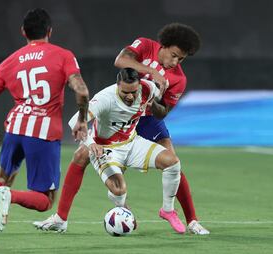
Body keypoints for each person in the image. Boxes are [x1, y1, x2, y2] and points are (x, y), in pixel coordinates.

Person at [34, 23, 209, 235]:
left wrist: (152, 101)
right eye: (173, 55)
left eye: (181, 59)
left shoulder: (178, 79)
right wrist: (152, 71)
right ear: (164, 45)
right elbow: (121, 61)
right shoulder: (145, 46)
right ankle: (64, 217)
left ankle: (189, 219)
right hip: (121, 111)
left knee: (173, 163)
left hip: (146, 118)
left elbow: (163, 113)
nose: (175, 62)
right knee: (83, 154)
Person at [0, 8, 89, 252]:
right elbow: (82, 91)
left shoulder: (10, 61)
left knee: (2, 179)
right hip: (43, 133)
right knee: (45, 201)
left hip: (15, 128)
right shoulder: (63, 55)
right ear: (50, 31)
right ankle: (10, 196)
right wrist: (82, 119)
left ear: (23, 32)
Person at [36, 68, 185, 233]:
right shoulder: (105, 99)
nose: (130, 96)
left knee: (173, 163)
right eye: (125, 92)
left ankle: (168, 210)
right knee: (119, 188)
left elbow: (161, 102)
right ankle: (123, 208)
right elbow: (74, 121)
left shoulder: (148, 88)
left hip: (132, 142)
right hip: (105, 148)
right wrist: (90, 142)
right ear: (118, 86)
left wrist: (156, 103)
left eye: (133, 92)